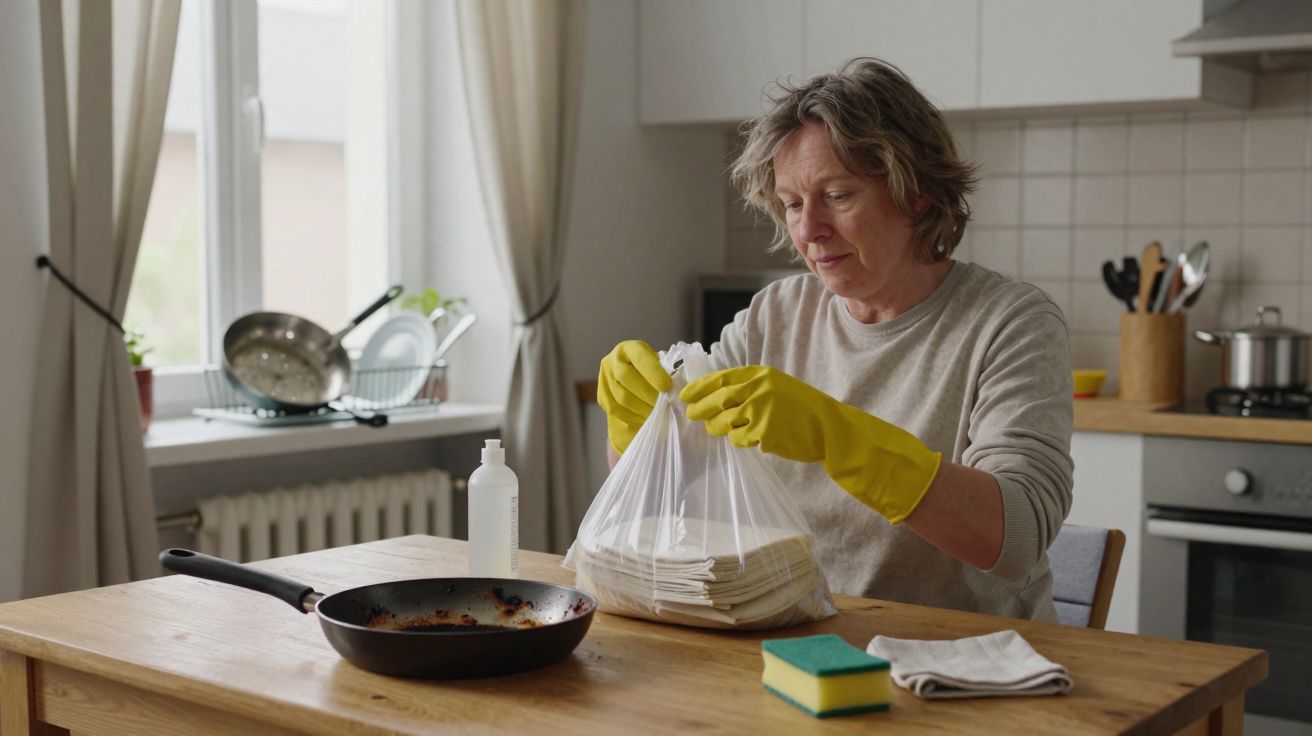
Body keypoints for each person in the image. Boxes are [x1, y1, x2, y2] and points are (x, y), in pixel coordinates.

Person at [597, 58, 1073, 622]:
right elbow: (669, 487)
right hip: (803, 642)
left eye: (838, 196)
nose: (807, 230)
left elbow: (1015, 536)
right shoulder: (774, 315)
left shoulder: (1009, 321)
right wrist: (637, 431)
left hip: (966, 658)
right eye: (794, 204)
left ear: (916, 191)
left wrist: (838, 437)